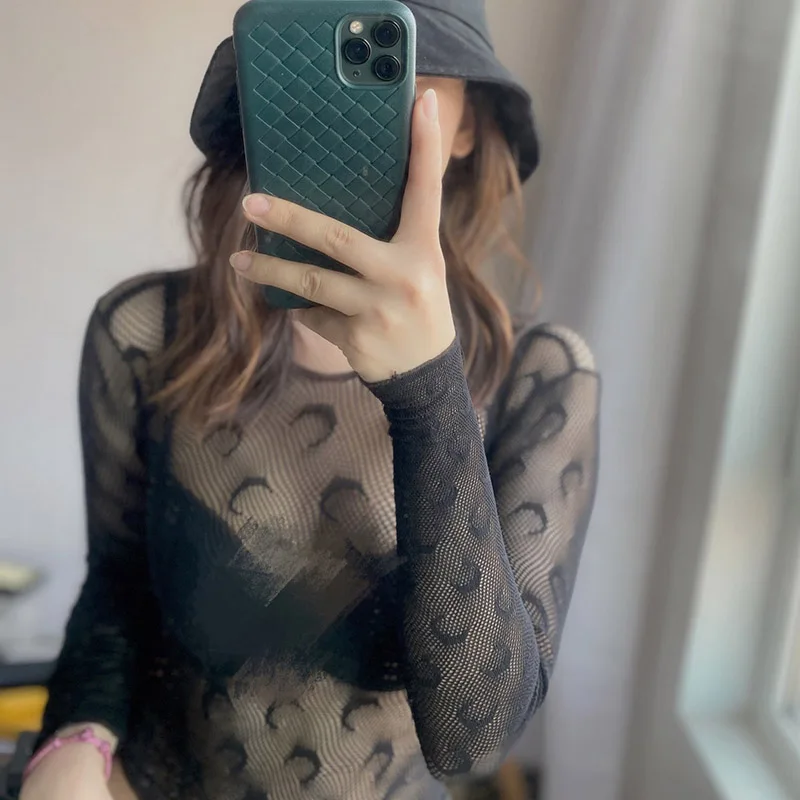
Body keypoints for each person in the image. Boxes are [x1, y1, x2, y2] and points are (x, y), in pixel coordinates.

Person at [20, 1, 600, 798]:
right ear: (264, 102)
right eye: (319, 69)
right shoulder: (145, 335)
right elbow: (117, 583)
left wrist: (429, 391)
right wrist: (75, 739)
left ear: (469, 127)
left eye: (399, 67)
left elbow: (473, 740)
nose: (365, 116)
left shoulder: (542, 377)